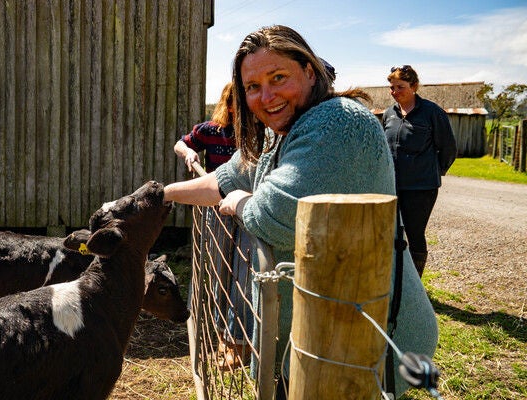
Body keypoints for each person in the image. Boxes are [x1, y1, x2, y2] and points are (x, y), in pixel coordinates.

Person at [163, 25, 438, 398]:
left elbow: (277, 216)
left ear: (309, 71)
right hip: (319, 333)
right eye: (253, 86)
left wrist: (243, 201)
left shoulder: (338, 124)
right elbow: (223, 179)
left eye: (279, 77)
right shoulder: (286, 131)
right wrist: (160, 196)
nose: (267, 95)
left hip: (363, 338)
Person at [173, 82, 253, 369]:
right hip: (216, 208)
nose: (241, 110)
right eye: (236, 104)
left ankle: (238, 340)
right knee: (218, 269)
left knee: (242, 275)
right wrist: (189, 154)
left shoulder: (257, 131)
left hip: (245, 208)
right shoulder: (210, 130)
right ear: (228, 104)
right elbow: (181, 143)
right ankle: (219, 332)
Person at [383, 65, 456, 277]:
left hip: (421, 188)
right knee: (392, 233)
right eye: (392, 87)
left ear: (414, 86)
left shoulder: (432, 112)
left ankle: (415, 285)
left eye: (400, 86)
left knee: (414, 233)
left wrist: (432, 171)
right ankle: (396, 282)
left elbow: (448, 148)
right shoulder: (389, 114)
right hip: (392, 186)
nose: (395, 91)